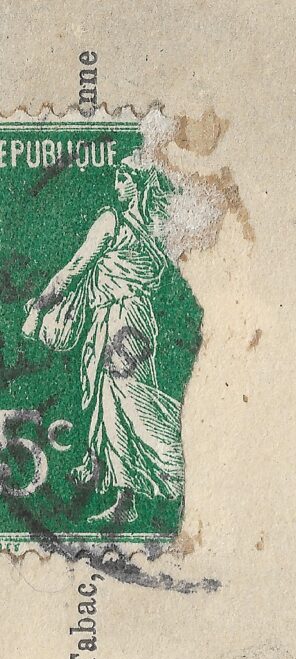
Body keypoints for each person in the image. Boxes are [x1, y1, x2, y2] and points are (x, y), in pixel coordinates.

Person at [20, 155, 187, 525]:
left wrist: (40, 305)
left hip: (118, 321)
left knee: (119, 400)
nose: (117, 186)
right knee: (117, 397)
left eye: (123, 178)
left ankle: (131, 495)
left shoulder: (112, 221)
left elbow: (74, 269)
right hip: (139, 322)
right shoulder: (155, 237)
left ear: (137, 184)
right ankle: (107, 473)